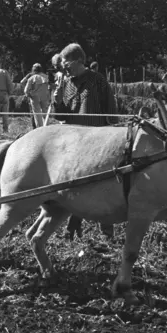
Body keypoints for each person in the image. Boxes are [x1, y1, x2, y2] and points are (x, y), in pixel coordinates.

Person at [52, 42, 117, 239]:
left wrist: (112, 139)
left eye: (66, 64)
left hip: (98, 144)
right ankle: (72, 228)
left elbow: (111, 113)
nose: (64, 68)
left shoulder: (98, 80)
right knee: (74, 185)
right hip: (74, 144)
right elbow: (61, 117)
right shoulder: (66, 83)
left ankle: (107, 232)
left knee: (104, 186)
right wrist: (57, 101)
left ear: (79, 61)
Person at [20, 63, 51, 128]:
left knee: (37, 114)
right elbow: (50, 87)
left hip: (34, 97)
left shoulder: (31, 78)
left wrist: (29, 95)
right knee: (45, 112)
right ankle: (47, 127)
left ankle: (39, 128)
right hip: (45, 96)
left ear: (33, 69)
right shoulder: (46, 76)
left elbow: (26, 90)